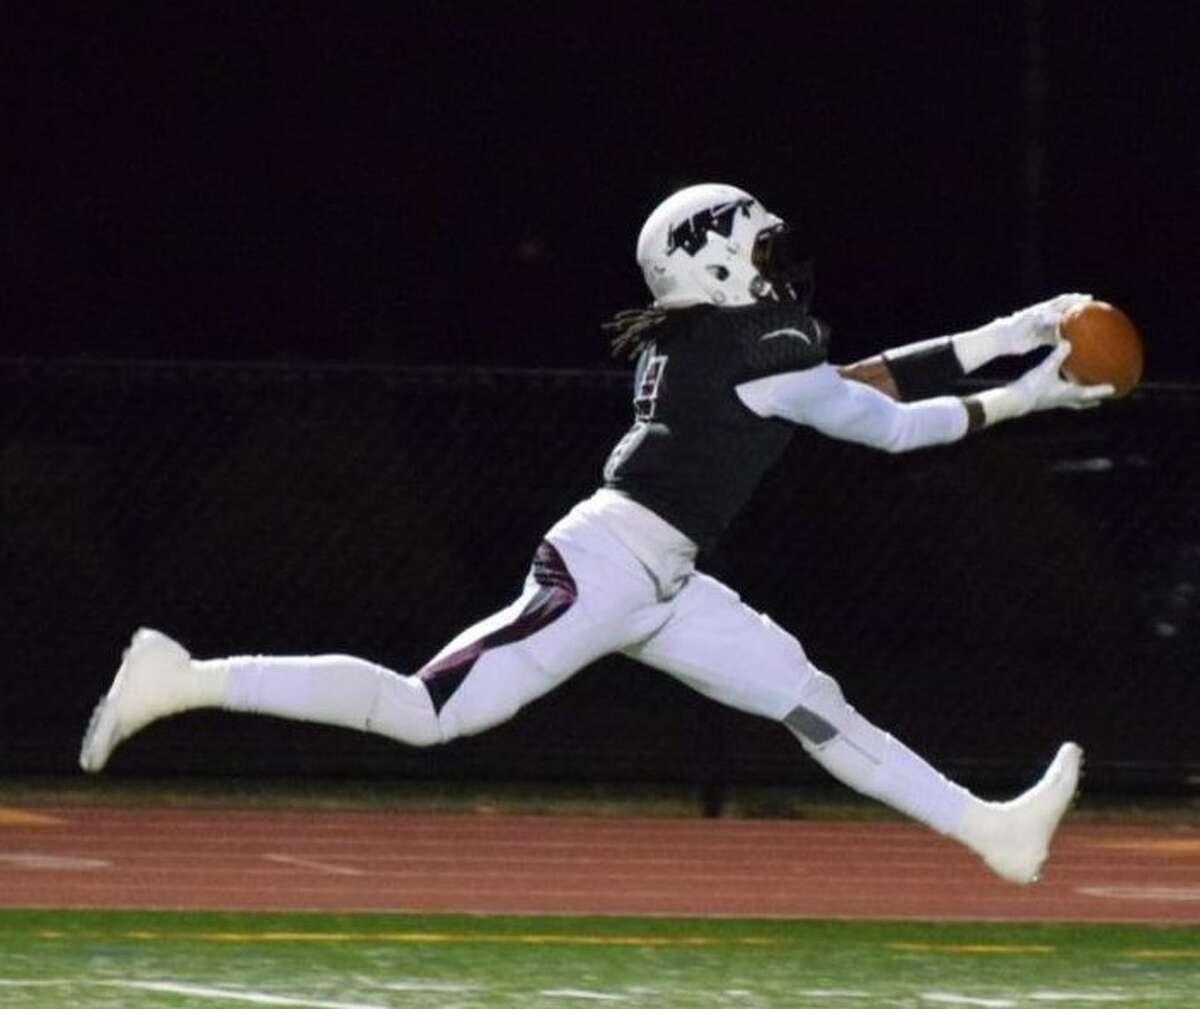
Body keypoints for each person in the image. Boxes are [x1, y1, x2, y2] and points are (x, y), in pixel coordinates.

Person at [80, 183, 1113, 884]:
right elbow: (885, 425)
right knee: (426, 709)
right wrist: (1036, 392)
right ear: (711, 267)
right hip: (610, 564)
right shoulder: (751, 342)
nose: (781, 267)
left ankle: (990, 828)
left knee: (810, 699)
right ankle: (183, 677)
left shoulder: (721, 342)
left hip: (661, 579)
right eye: (762, 251)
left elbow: (844, 387)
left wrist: (1009, 333)